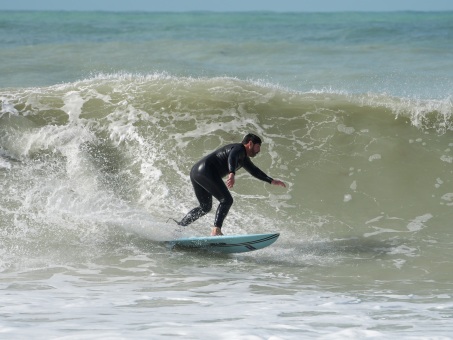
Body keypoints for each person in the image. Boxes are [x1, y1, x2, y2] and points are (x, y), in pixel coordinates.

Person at [175, 133, 286, 236]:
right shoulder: (238, 149)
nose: (259, 150)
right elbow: (231, 157)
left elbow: (254, 171)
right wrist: (232, 173)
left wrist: (271, 181)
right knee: (226, 200)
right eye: (258, 146)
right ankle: (216, 230)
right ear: (250, 143)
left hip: (196, 172)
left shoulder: (243, 158)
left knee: (205, 207)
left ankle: (179, 227)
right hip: (206, 171)